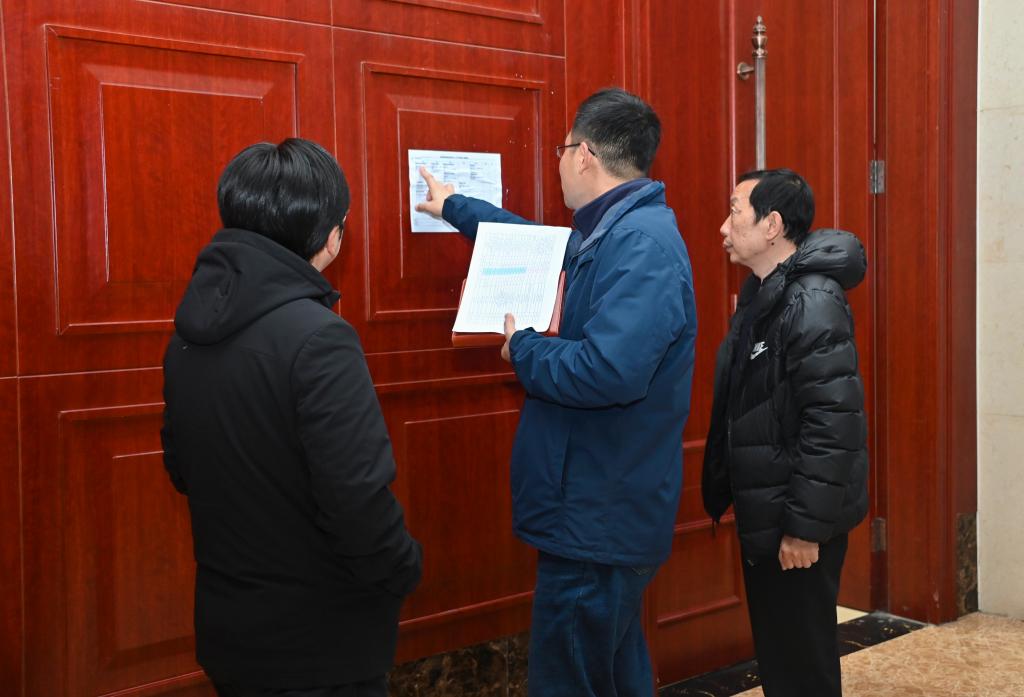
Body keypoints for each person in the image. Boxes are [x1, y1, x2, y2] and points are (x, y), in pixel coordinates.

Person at [416, 87, 697, 697]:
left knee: (570, 678)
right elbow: (539, 247)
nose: (560, 162)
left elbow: (607, 371)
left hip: (598, 513)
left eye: (562, 150)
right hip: (597, 507)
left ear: (585, 154)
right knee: (611, 670)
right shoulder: (614, 230)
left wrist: (523, 348)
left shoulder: (641, 246)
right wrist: (457, 207)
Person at [161, 138, 422, 697]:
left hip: (230, 629)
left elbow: (181, 468)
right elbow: (356, 500)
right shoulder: (320, 338)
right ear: (331, 236)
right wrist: (403, 568)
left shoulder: (186, 334)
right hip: (319, 644)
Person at [702, 168, 869, 697]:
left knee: (801, 664)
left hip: (796, 520)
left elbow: (832, 422)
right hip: (771, 508)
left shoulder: (810, 300)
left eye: (735, 212)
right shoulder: (764, 292)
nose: (724, 226)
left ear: (772, 225)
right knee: (782, 658)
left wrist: (803, 529)